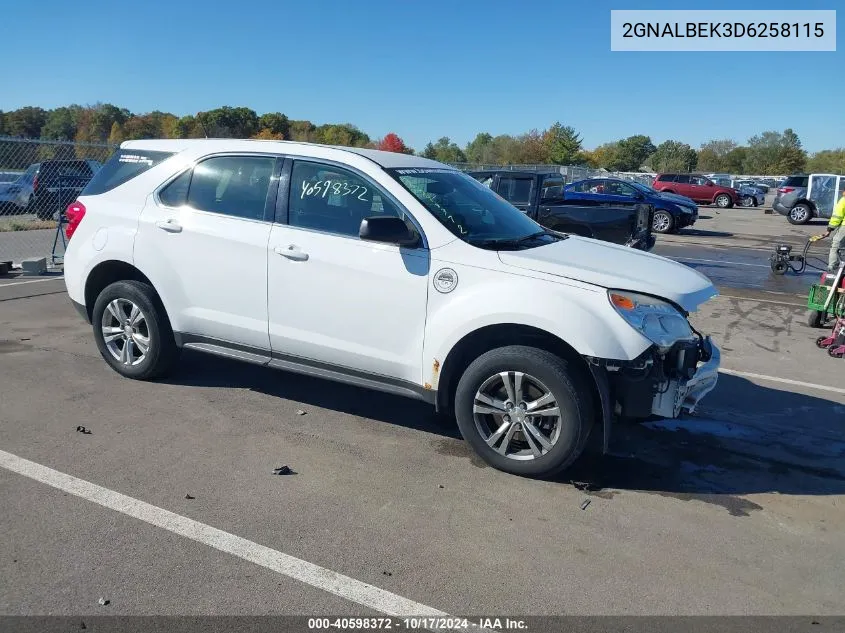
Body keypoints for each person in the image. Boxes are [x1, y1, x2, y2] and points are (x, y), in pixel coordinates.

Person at [823, 189, 845, 271]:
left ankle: (832, 267)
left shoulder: (843, 200)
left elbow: (837, 216)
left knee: (836, 244)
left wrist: (829, 229)